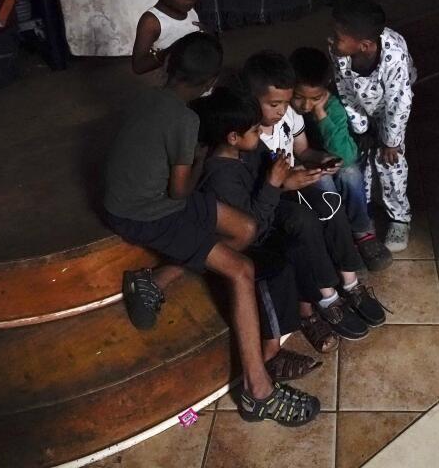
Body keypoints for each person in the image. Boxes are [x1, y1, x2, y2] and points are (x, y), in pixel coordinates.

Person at [101, 33, 320, 426]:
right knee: (241, 270)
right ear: (209, 83)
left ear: (169, 65)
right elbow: (180, 189)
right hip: (147, 212)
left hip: (134, 198)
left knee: (246, 229)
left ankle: (155, 279)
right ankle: (259, 392)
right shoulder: (185, 120)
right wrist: (200, 158)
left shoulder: (144, 97)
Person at [242, 51, 388, 351]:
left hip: (294, 182)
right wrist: (288, 183)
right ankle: (328, 298)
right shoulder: (250, 135)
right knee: (307, 222)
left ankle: (350, 284)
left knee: (329, 199)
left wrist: (323, 159)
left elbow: (303, 151)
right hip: (274, 199)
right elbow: (256, 190)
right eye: (275, 104)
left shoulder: (289, 116)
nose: (284, 111)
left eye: (285, 103)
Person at [192, 87, 324, 383]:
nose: (259, 133)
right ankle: (270, 355)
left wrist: (285, 179)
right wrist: (274, 183)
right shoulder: (221, 176)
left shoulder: (239, 156)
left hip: (256, 232)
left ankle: (306, 312)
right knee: (273, 272)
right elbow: (251, 226)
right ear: (233, 137)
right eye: (254, 129)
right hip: (239, 248)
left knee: (296, 245)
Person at [289, 46, 393, 272]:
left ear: (325, 90)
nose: (306, 106)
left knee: (350, 172)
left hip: (329, 161)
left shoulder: (332, 106)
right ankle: (340, 236)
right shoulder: (286, 110)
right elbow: (298, 153)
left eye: (314, 98)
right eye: (298, 97)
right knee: (323, 182)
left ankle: (361, 231)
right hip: (301, 168)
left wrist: (321, 115)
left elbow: (346, 156)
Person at [329, 0, 416, 252]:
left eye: (338, 37)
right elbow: (344, 91)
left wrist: (391, 141)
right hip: (362, 105)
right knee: (363, 156)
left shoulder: (395, 55)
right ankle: (363, 209)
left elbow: (399, 102)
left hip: (392, 104)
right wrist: (362, 128)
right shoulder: (339, 52)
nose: (332, 41)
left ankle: (400, 217)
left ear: (365, 45)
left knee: (390, 161)